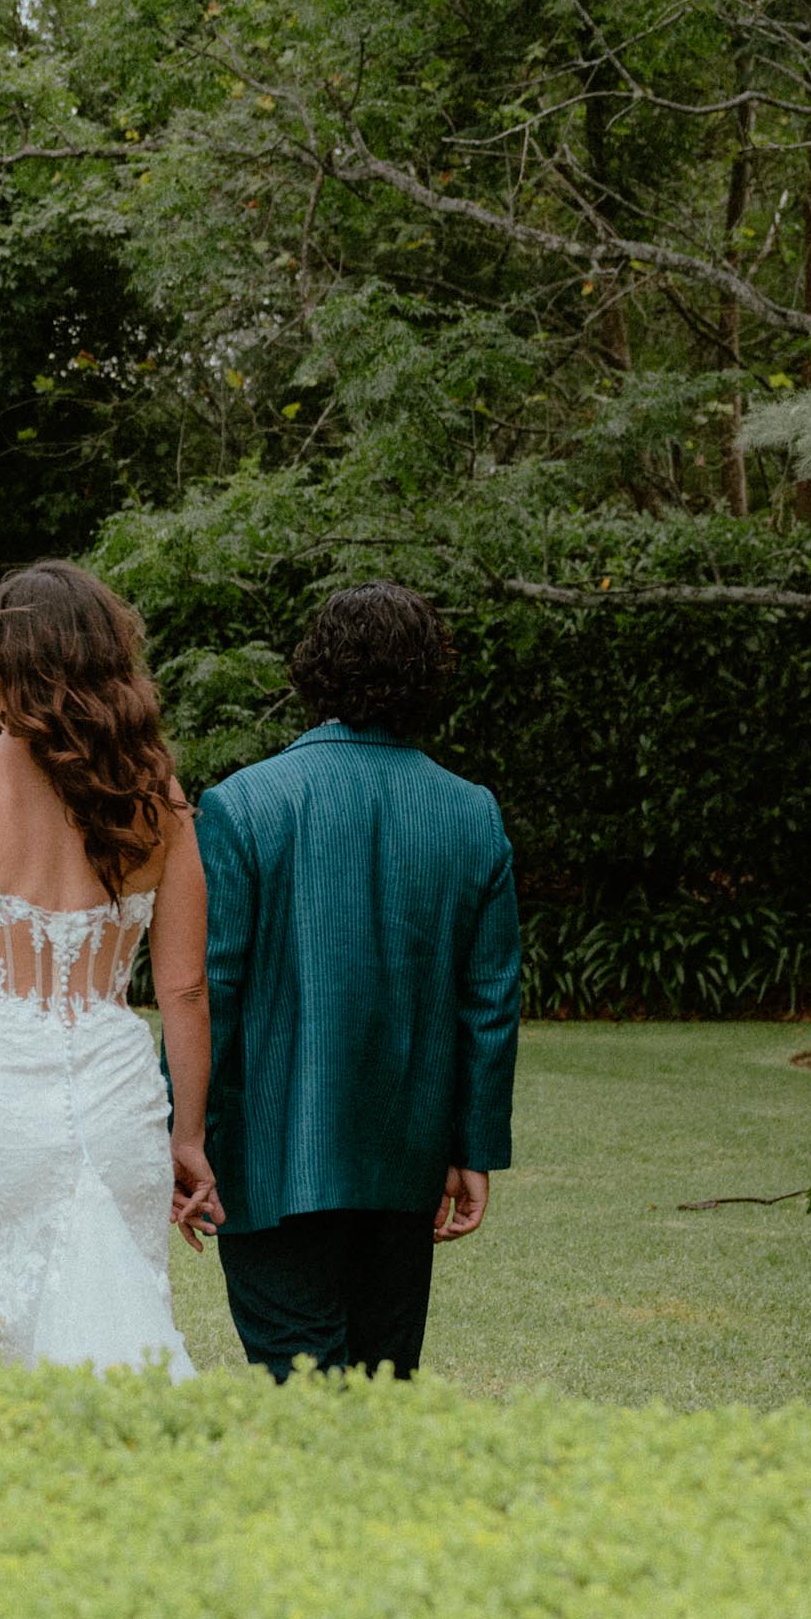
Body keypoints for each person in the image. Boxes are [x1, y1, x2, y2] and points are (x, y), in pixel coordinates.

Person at [0, 561, 219, 1378]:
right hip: (117, 1107)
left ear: (1, 660)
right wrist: (189, 1137)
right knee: (119, 1334)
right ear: (111, 657)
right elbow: (184, 990)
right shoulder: (157, 798)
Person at [196, 581, 522, 1382]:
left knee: (304, 1396)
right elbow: (490, 1004)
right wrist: (471, 1148)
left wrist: (186, 1136)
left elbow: (210, 991)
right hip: (402, 1167)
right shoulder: (470, 812)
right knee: (379, 1394)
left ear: (314, 671)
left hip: (269, 1161)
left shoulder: (242, 805)